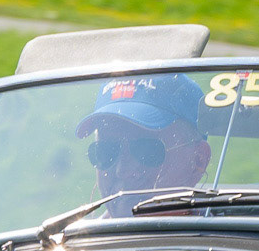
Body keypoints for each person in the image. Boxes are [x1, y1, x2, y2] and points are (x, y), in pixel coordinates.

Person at [76, 74, 211, 210]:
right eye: (106, 152)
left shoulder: (223, 230)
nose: (123, 171)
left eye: (148, 152)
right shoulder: (73, 230)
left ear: (198, 160)